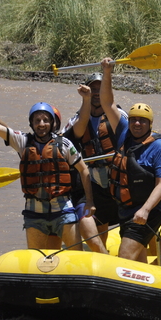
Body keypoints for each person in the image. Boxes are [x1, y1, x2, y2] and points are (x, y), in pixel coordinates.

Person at [0, 100, 95, 250]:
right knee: (37, 259)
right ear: (31, 124)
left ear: (52, 123)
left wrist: (90, 201)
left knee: (76, 255)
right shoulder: (22, 141)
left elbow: (83, 170)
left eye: (45, 120)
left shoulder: (65, 144)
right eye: (37, 121)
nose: (41, 124)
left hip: (63, 211)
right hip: (34, 214)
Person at [100, 57, 161, 263]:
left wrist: (146, 209)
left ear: (150, 124)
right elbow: (107, 103)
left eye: (142, 120)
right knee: (138, 260)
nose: (137, 123)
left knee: (124, 259)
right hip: (127, 211)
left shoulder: (159, 147)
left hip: (147, 212)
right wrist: (107, 72)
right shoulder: (124, 132)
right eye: (133, 119)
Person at [61, 73, 125, 254]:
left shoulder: (118, 114)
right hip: (95, 181)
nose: (97, 93)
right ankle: (103, 258)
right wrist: (86, 100)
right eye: (93, 89)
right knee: (100, 224)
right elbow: (73, 136)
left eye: (100, 89)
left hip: (118, 177)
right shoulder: (78, 119)